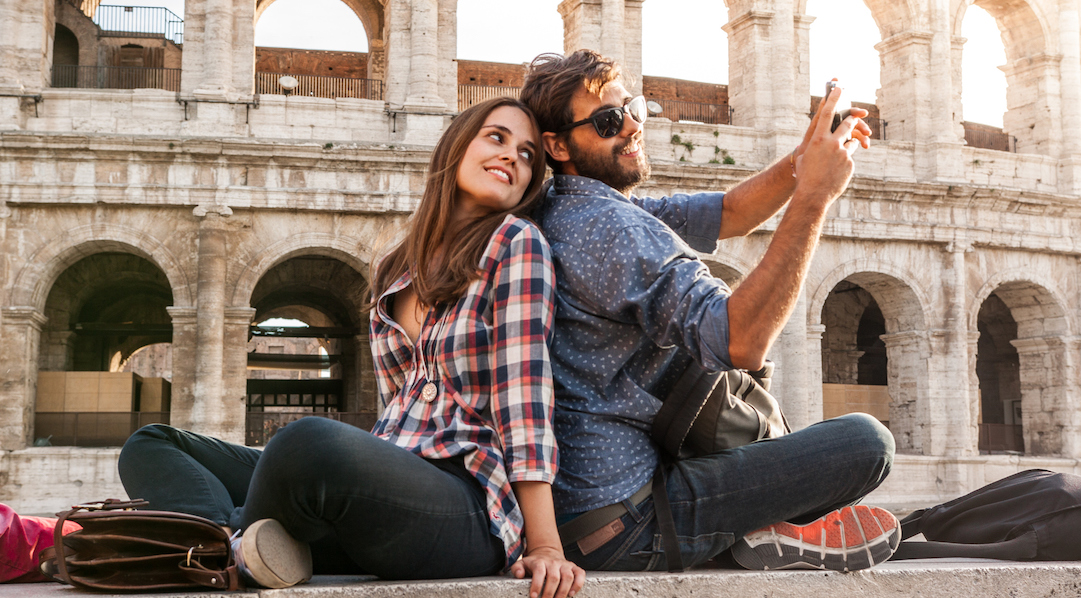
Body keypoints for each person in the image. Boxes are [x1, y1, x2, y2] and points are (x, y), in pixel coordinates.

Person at [119, 96, 585, 598]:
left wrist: (546, 547)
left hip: (466, 502)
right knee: (151, 444)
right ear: (457, 146)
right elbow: (395, 407)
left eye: (529, 154)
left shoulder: (516, 242)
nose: (513, 156)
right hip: (386, 486)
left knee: (306, 443)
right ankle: (233, 542)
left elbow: (525, 394)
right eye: (497, 137)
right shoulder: (394, 266)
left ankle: (225, 544)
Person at [518, 49, 899, 572]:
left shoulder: (569, 206)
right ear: (556, 145)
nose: (631, 125)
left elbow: (731, 213)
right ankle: (758, 531)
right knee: (867, 443)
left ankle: (766, 532)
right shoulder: (615, 229)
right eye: (609, 121)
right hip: (632, 525)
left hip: (584, 516)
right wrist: (814, 196)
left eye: (633, 107)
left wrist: (801, 160)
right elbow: (740, 340)